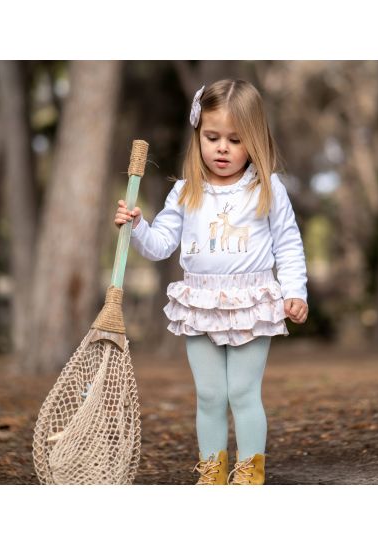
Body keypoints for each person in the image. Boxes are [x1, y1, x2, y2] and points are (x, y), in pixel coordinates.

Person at [115, 79, 308, 485]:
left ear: (253, 140)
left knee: (241, 392)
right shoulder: (186, 192)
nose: (222, 148)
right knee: (209, 395)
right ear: (198, 135)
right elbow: (160, 245)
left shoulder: (266, 188)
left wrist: (295, 292)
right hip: (199, 302)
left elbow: (289, 244)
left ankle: (249, 470)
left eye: (235, 139)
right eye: (212, 136)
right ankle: (212, 468)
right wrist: (137, 226)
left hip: (251, 303)